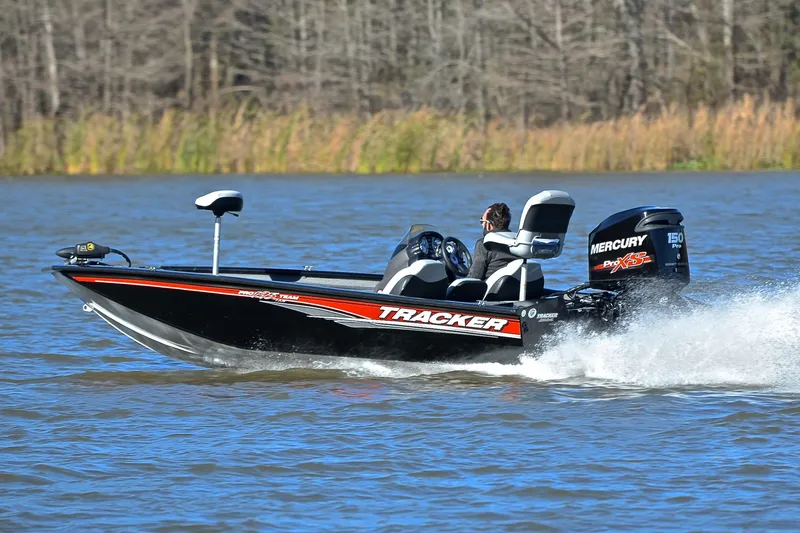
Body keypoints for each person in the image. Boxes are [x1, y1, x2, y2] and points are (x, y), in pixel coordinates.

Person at [467, 202, 517, 280]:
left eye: (482, 222)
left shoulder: (485, 244)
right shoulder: (520, 243)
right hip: (517, 285)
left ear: (488, 225)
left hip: (491, 287)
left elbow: (475, 277)